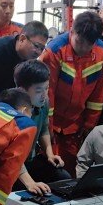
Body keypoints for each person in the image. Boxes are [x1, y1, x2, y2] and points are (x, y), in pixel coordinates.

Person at [40, 11, 103, 176]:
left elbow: (98, 93)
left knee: (71, 171)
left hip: (76, 126)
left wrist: (89, 126)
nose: (83, 48)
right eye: (79, 41)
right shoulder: (54, 51)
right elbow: (47, 94)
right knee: (48, 168)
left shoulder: (102, 51)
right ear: (72, 31)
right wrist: (47, 128)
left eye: (88, 44)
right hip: (51, 125)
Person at [12, 59, 70, 195]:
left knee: (63, 178)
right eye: (39, 90)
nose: (44, 95)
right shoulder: (13, 111)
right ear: (22, 90)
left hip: (30, 161)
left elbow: (44, 129)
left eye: (47, 88)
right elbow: (12, 155)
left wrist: (50, 154)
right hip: (11, 166)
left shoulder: (44, 103)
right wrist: (30, 183)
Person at [0, 20, 49, 103]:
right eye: (36, 46)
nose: (38, 52)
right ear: (22, 39)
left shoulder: (28, 59)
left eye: (42, 48)